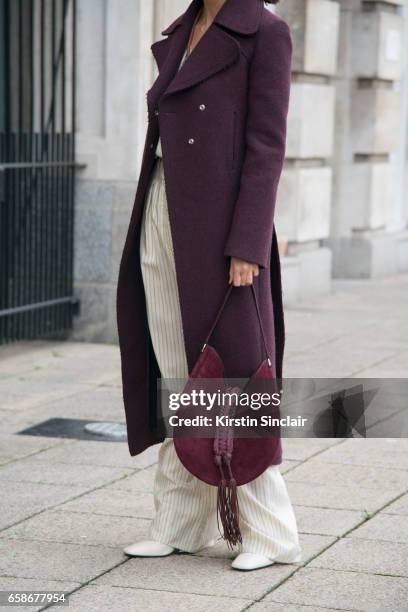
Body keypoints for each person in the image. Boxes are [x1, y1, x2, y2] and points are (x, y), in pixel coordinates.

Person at [116, 0, 302, 571]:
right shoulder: (183, 28)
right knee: (179, 374)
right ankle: (181, 522)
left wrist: (248, 242)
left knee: (237, 378)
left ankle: (272, 535)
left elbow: (266, 146)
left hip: (220, 230)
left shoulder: (266, 32)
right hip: (162, 212)